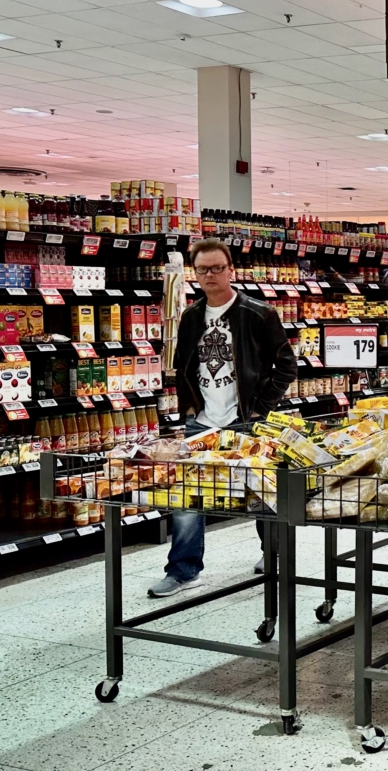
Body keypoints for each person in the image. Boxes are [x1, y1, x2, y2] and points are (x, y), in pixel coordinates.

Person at [148, 239, 297, 598]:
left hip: (245, 420)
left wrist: (260, 409)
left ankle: (274, 554)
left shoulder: (259, 314)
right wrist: (189, 408)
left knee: (261, 494)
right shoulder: (190, 317)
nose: (210, 275)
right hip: (201, 422)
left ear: (231, 270)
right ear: (195, 274)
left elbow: (286, 366)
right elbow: (183, 366)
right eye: (203, 269)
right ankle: (184, 571)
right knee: (188, 496)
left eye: (217, 268)